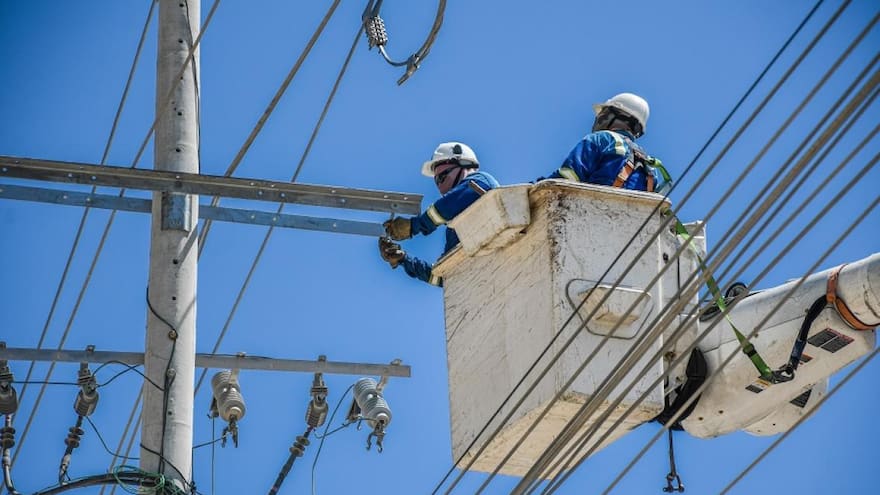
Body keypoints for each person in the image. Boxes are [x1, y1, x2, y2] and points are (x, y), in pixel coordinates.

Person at [379, 142, 500, 286]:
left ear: (464, 165)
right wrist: (404, 260)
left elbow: (449, 205)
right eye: (436, 181)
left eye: (442, 177)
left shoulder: (481, 181)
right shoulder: (455, 230)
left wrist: (413, 226)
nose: (440, 186)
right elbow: (444, 277)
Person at [540, 92, 669, 193]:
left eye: (604, 113)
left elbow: (568, 176)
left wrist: (539, 187)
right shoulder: (650, 165)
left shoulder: (602, 139)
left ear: (616, 116)